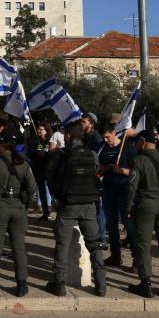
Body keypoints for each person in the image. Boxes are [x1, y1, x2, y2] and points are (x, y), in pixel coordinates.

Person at [47, 123, 106, 297]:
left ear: (68, 137)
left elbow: (51, 180)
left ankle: (59, 284)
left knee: (62, 245)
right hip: (88, 206)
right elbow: (96, 175)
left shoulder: (61, 157)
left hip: (68, 206)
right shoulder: (92, 155)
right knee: (94, 245)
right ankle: (101, 285)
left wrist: (58, 198)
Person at [0, 132, 36, 297]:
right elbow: (32, 188)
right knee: (19, 248)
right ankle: (21, 285)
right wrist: (23, 199)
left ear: (1, 145)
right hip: (17, 208)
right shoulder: (23, 164)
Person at [125, 131, 159, 298]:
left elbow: (131, 188)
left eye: (138, 142)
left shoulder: (139, 160)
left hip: (146, 205)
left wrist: (127, 208)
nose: (136, 145)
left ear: (143, 142)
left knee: (143, 245)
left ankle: (146, 284)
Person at [98, 124, 136, 267]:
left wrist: (122, 171)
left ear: (114, 132)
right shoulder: (104, 148)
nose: (106, 140)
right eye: (103, 138)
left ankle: (136, 258)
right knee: (111, 224)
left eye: (107, 137)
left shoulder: (128, 148)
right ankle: (115, 255)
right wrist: (103, 169)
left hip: (124, 191)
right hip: (108, 191)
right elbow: (100, 167)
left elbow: (136, 172)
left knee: (128, 224)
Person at [27, 122, 52, 220]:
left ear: (46, 130)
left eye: (41, 129)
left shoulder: (50, 141)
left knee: (51, 191)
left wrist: (44, 153)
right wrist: (36, 152)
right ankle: (45, 211)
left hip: (48, 169)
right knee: (41, 191)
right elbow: (30, 152)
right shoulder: (35, 140)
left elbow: (49, 153)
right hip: (38, 169)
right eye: (38, 129)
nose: (39, 131)